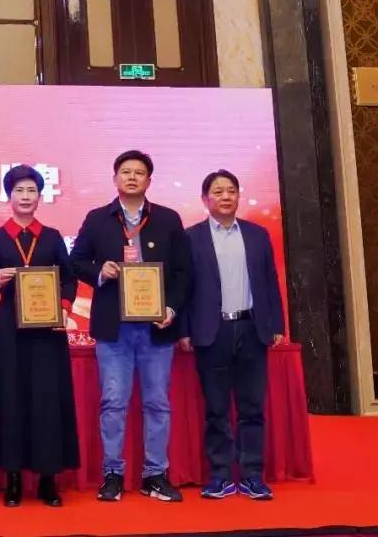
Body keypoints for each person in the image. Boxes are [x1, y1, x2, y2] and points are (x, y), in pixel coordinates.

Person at [70, 150, 191, 503]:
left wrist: (171, 308)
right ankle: (112, 474)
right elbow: (76, 261)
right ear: (115, 179)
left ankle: (155, 474)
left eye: (139, 172)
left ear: (149, 180)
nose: (133, 177)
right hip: (114, 328)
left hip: (156, 327)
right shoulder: (97, 219)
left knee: (157, 403)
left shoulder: (168, 219)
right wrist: (99, 272)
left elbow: (184, 272)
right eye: (126, 172)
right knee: (113, 403)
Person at [0, 165, 79, 507]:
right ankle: (13, 479)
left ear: (39, 196)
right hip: (10, 328)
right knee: (11, 397)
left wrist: (64, 308)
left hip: (47, 328)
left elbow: (69, 279)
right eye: (19, 190)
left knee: (48, 399)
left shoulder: (52, 236)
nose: (25, 196)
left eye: (31, 190)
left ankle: (48, 479)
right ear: (9, 195)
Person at [180, 170, 285, 501]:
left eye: (231, 191)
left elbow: (269, 281)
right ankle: (221, 476)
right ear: (205, 199)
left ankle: (253, 475)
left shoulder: (257, 234)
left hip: (252, 328)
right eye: (218, 191)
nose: (225, 197)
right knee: (217, 409)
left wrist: (277, 324)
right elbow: (183, 289)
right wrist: (184, 330)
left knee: (252, 407)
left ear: (239, 196)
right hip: (212, 331)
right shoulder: (190, 237)